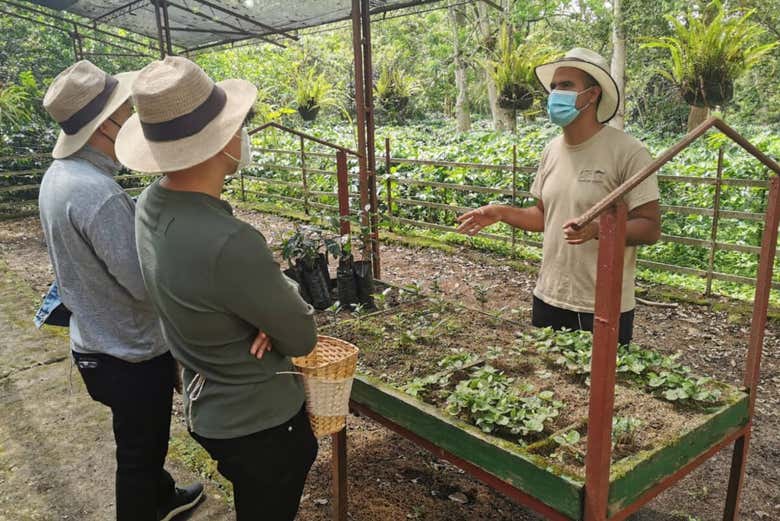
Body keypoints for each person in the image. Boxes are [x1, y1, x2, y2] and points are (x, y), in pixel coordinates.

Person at [116, 56, 319, 521]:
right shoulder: (229, 242)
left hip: (205, 403)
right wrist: (271, 310)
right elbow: (301, 336)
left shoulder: (149, 204)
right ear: (222, 142)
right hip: (260, 423)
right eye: (237, 125)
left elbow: (208, 292)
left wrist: (261, 309)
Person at [38, 60, 203, 521]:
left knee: (137, 439)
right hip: (129, 353)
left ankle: (163, 497)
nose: (131, 117)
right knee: (139, 453)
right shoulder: (99, 193)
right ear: (104, 125)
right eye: (124, 111)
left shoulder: (59, 177)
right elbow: (142, 284)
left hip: (94, 342)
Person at [457, 48, 661, 346]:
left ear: (592, 95)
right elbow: (543, 216)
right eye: (553, 87)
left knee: (598, 377)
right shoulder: (551, 150)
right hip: (548, 297)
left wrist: (599, 230)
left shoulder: (628, 152)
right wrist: (500, 212)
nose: (555, 94)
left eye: (566, 85)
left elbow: (650, 228)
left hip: (601, 306)